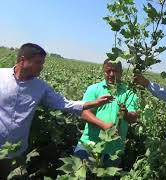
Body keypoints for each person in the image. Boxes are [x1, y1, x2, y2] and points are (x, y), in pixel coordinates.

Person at [0, 43, 112, 178]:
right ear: (23, 60)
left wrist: (93, 103)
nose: (41, 67)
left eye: (42, 63)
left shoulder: (40, 87)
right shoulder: (1, 76)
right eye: (38, 62)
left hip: (16, 150)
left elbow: (63, 103)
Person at [74, 59, 138, 167]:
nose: (112, 74)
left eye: (115, 71)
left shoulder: (129, 93)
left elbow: (134, 117)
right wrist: (104, 125)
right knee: (78, 174)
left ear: (121, 72)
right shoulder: (93, 89)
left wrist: (126, 114)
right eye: (108, 71)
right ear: (103, 71)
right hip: (89, 144)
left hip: (114, 149)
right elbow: (84, 113)